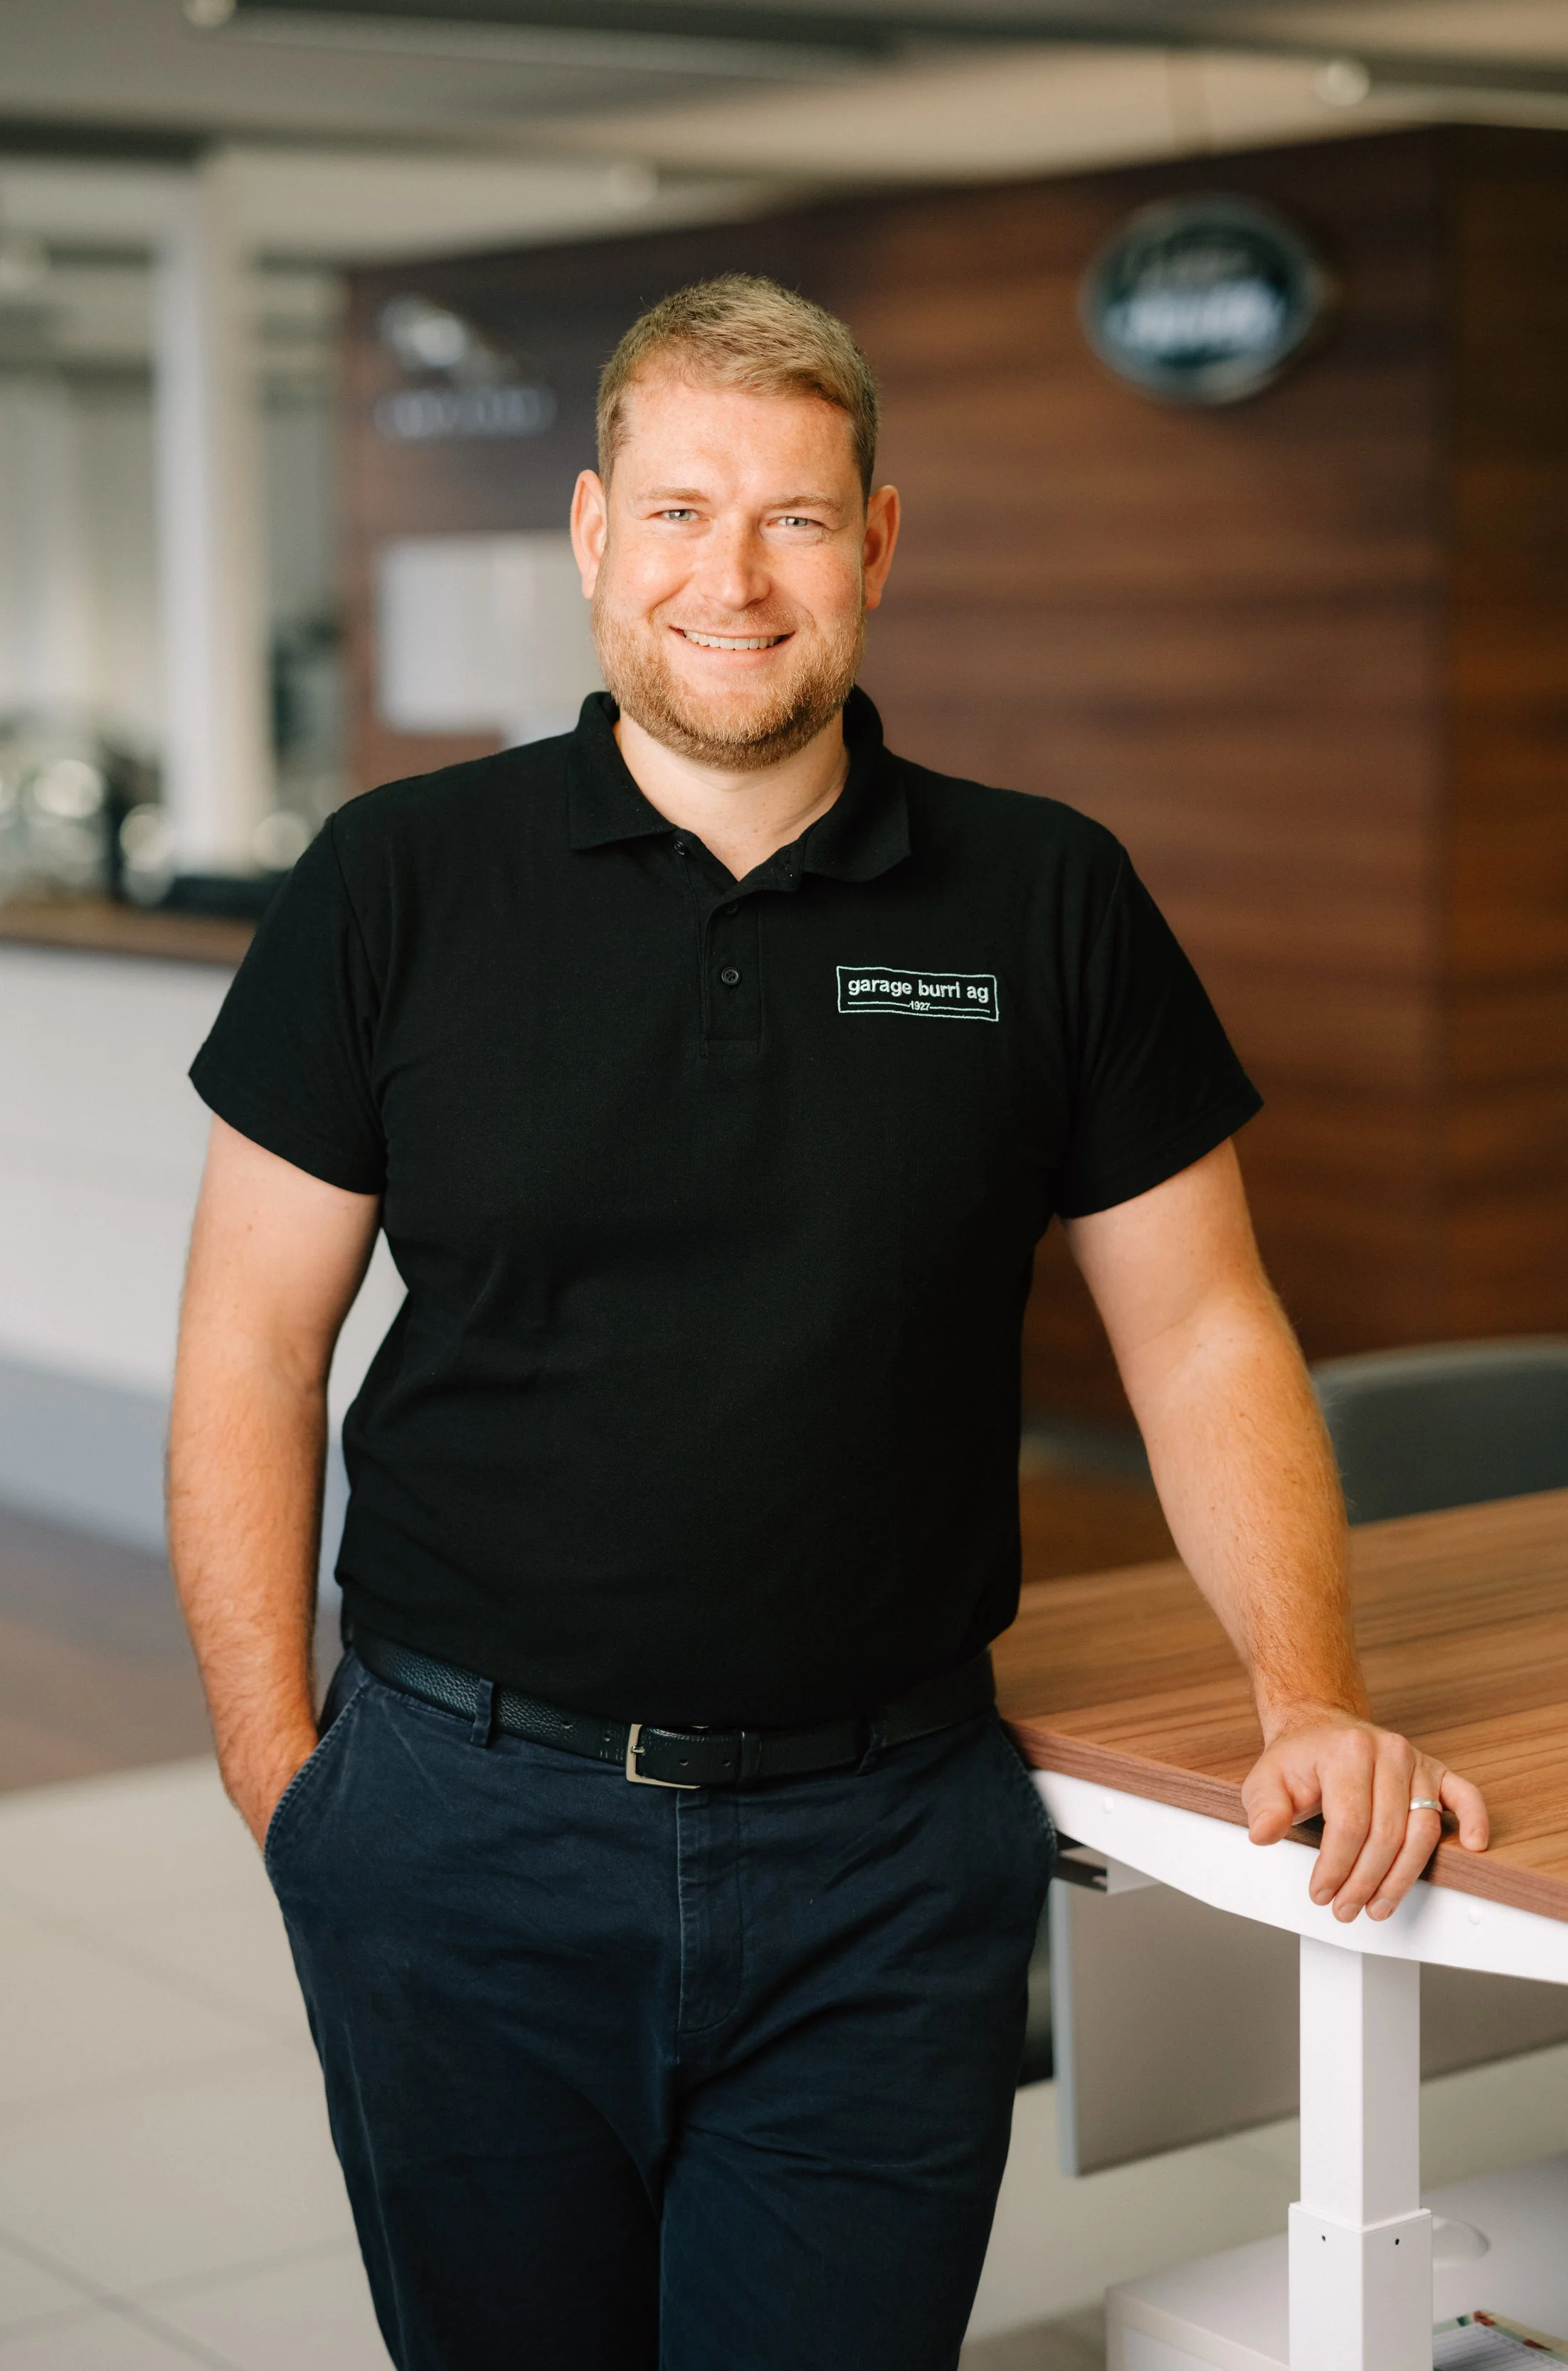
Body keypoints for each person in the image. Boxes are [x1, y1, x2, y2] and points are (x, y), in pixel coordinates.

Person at [169, 275, 1488, 2371]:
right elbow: (249, 1347)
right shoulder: (396, 880)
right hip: (459, 1829)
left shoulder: (1042, 895)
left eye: (793, 517)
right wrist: (280, 1777)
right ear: (594, 534)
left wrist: (1303, 1689)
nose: (735, 577)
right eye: (681, 512)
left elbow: (1204, 1332)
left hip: (884, 1854)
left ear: (876, 544)